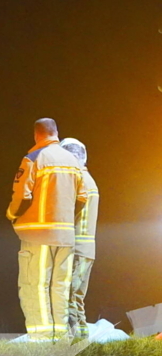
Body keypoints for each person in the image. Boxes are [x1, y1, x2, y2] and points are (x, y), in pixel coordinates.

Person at [6, 118, 88, 341]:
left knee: (36, 285)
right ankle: (61, 337)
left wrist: (12, 215)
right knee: (60, 287)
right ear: (56, 133)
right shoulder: (73, 161)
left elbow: (22, 196)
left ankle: (42, 338)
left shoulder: (33, 158)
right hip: (65, 236)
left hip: (37, 235)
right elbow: (82, 198)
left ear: (36, 135)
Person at [60, 137, 99, 339]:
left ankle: (75, 341)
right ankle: (83, 339)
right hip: (86, 249)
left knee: (69, 297)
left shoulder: (79, 182)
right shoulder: (88, 179)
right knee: (77, 297)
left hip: (77, 249)